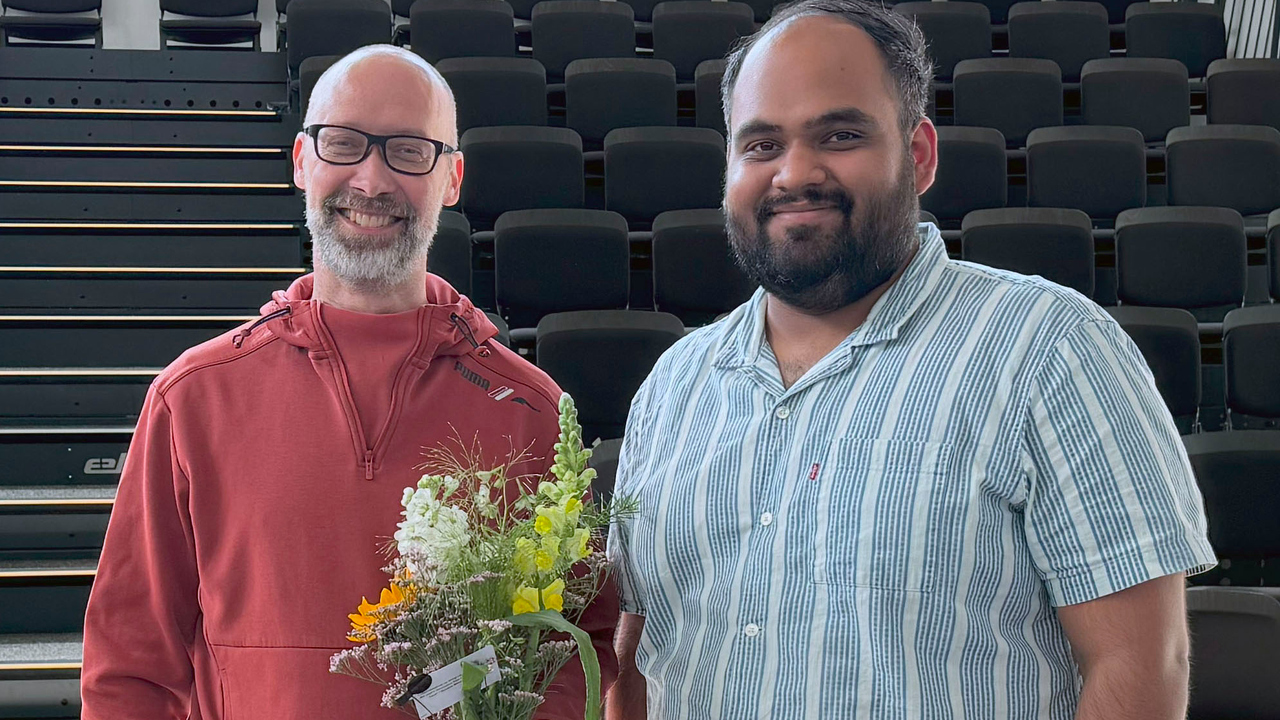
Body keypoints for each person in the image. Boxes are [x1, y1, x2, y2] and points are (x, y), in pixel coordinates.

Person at [605, 2, 1216, 718]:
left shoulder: (1051, 349)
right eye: (760, 145)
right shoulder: (673, 388)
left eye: (840, 134)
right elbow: (637, 659)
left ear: (919, 154)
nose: (794, 172)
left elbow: (1139, 663)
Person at [81, 45, 617, 720]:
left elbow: (575, 652)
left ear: (451, 178)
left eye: (408, 151)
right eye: (344, 144)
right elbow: (130, 668)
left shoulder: (531, 413)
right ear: (302, 161)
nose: (371, 180)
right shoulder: (192, 399)